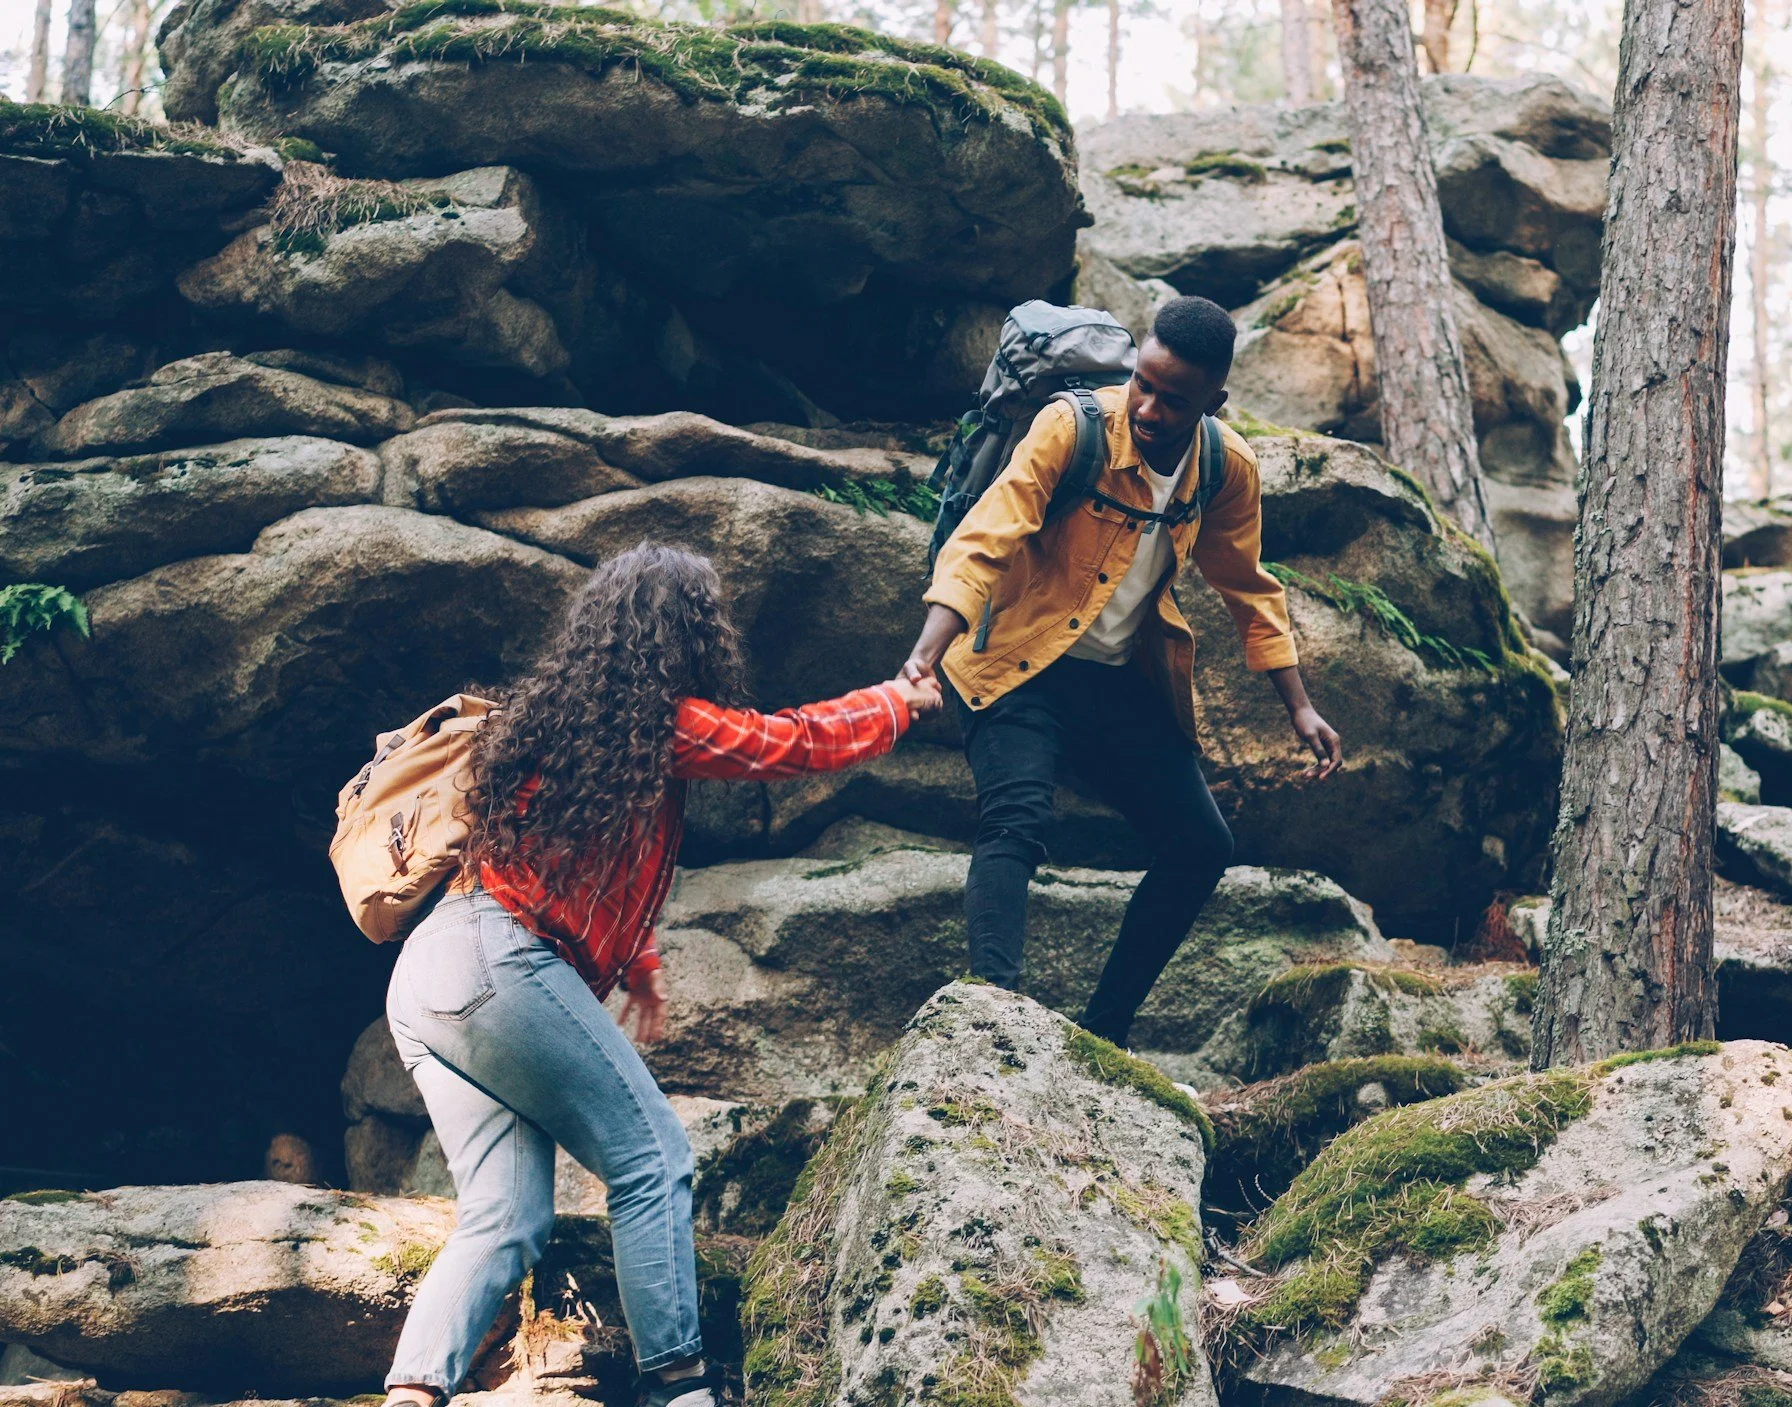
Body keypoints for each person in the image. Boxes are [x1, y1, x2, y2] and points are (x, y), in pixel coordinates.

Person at [377, 543, 942, 1407]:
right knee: (653, 1158)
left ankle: (412, 1394)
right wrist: (897, 705)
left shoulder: (562, 726)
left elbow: (570, 862)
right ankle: (680, 1388)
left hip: (430, 976)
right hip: (495, 960)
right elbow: (788, 743)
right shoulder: (659, 723)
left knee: (504, 1219)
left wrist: (639, 965)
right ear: (685, 638)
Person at [902, 294, 1343, 1046]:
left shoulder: (1223, 467)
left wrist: (1299, 707)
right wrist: (922, 656)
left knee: (1201, 844)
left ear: (1215, 401)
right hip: (1013, 660)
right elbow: (986, 537)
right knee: (1016, 816)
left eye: (1174, 400)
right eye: (1142, 382)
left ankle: (1103, 1037)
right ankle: (988, 1022)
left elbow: (1249, 586)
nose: (1147, 407)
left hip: (1114, 678)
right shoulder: (1071, 429)